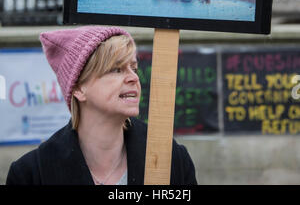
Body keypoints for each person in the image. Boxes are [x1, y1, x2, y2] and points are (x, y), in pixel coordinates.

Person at [6, 25, 197, 185]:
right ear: (79, 88)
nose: (133, 78)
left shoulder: (171, 159)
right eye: (116, 69)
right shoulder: (31, 174)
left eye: (134, 68)